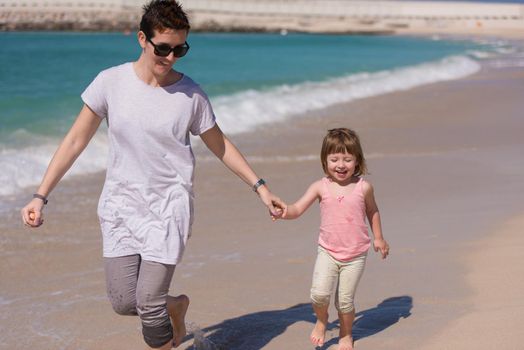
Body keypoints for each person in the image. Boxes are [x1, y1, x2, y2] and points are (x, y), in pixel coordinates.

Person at [20, 1, 285, 349]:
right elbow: (74, 141)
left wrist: (260, 188)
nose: (171, 57)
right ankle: (175, 306)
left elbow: (221, 146)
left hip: (168, 206)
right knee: (123, 302)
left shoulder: (190, 95)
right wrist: (41, 195)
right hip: (121, 204)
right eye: (163, 48)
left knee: (147, 303)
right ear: (142, 39)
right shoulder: (110, 83)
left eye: (180, 49)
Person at [275, 128, 389, 350]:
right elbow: (297, 208)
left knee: (344, 302)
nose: (341, 165)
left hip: (355, 254)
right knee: (318, 295)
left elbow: (373, 211)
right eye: (334, 159)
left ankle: (346, 334)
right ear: (324, 160)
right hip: (327, 251)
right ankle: (321, 319)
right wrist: (284, 211)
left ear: (357, 161)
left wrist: (379, 238)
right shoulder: (320, 187)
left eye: (347, 159)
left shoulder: (363, 187)